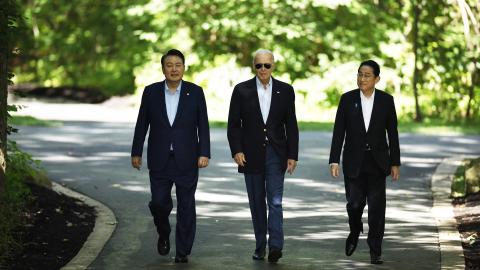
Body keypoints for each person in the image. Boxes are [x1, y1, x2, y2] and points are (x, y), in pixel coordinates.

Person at [131, 49, 210, 263]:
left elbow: (203, 125)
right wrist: (136, 152)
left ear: (184, 67)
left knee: (186, 206)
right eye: (169, 65)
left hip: (187, 159)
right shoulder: (151, 92)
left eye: (178, 64)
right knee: (159, 203)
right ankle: (163, 232)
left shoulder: (195, 92)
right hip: (160, 159)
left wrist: (204, 152)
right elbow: (142, 124)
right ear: (163, 68)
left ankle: (182, 251)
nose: (174, 69)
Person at [227, 49, 299, 263]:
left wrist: (292, 154)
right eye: (259, 65)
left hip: (277, 153)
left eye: (267, 65)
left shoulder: (286, 90)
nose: (263, 69)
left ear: (273, 66)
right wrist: (237, 150)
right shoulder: (242, 90)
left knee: (275, 202)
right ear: (253, 66)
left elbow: (291, 124)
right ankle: (260, 246)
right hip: (250, 155)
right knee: (257, 202)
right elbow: (233, 125)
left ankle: (275, 246)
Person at [329, 60, 400, 264]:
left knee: (377, 208)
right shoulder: (347, 99)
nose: (362, 78)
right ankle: (354, 230)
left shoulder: (386, 101)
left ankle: (375, 249)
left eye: (367, 75)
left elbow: (392, 133)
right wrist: (334, 160)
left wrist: (395, 162)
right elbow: (338, 132)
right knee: (354, 203)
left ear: (377, 79)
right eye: (360, 74)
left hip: (378, 162)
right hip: (354, 161)